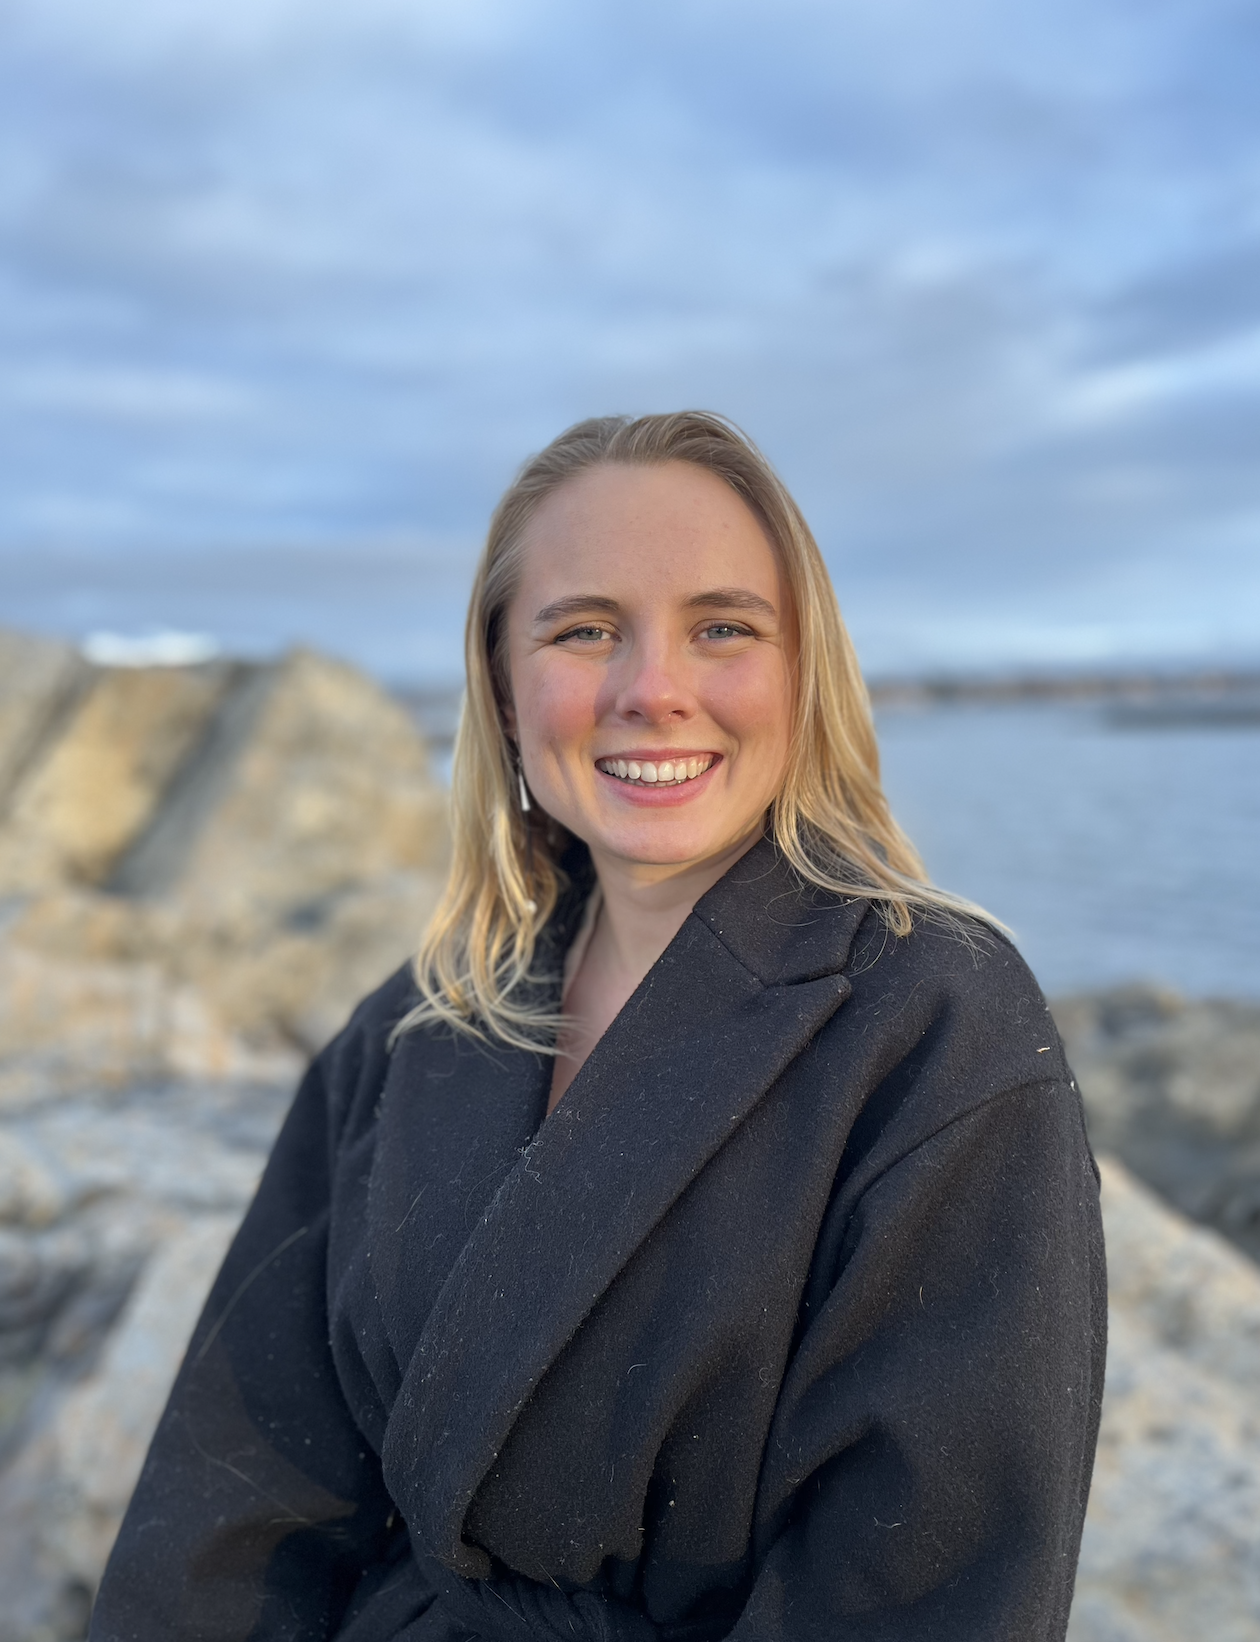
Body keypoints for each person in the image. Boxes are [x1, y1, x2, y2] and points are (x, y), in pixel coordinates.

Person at [92, 412, 1105, 1642]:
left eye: (722, 628)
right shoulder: (420, 1025)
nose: (651, 691)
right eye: (583, 631)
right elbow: (232, 1498)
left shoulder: (938, 1026)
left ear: (805, 673)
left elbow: (925, 1593)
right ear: (503, 688)